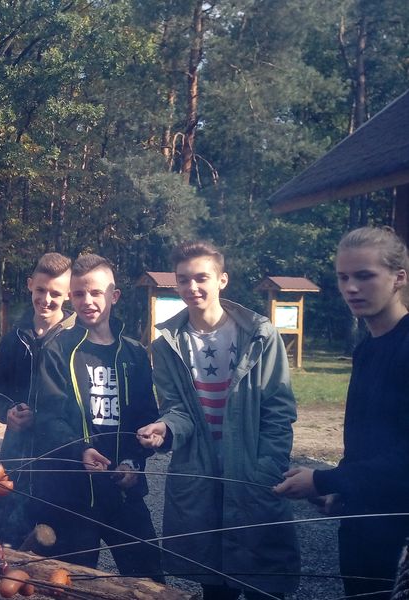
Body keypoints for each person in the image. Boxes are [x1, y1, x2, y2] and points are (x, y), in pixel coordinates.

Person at [138, 241, 299, 599]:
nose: (192, 287)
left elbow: (278, 411)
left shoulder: (260, 334)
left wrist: (267, 469)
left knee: (264, 581)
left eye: (201, 278)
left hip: (251, 472)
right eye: (183, 279)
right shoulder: (165, 345)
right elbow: (176, 409)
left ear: (222, 280)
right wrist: (165, 427)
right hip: (201, 474)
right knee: (213, 582)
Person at [274, 226, 409, 600]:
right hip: (360, 524)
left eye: (364, 276)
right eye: (343, 277)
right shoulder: (366, 349)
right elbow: (366, 439)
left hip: (401, 533)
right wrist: (341, 489)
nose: (351, 288)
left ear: (399, 277)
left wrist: (324, 479)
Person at [57, 254, 162, 579]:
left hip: (125, 489)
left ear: (114, 296)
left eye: (96, 292)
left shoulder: (135, 353)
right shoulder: (58, 349)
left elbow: (147, 416)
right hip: (76, 495)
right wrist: (80, 450)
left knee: (149, 581)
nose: (87, 301)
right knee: (72, 584)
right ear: (70, 297)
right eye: (79, 293)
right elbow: (50, 417)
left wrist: (134, 462)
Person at [0, 252, 76, 547]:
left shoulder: (76, 340)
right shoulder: (12, 338)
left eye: (56, 294)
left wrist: (41, 418)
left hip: (58, 460)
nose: (46, 299)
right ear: (29, 285)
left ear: (68, 294)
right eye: (40, 290)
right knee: (7, 545)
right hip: (14, 457)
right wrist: (8, 412)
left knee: (53, 547)